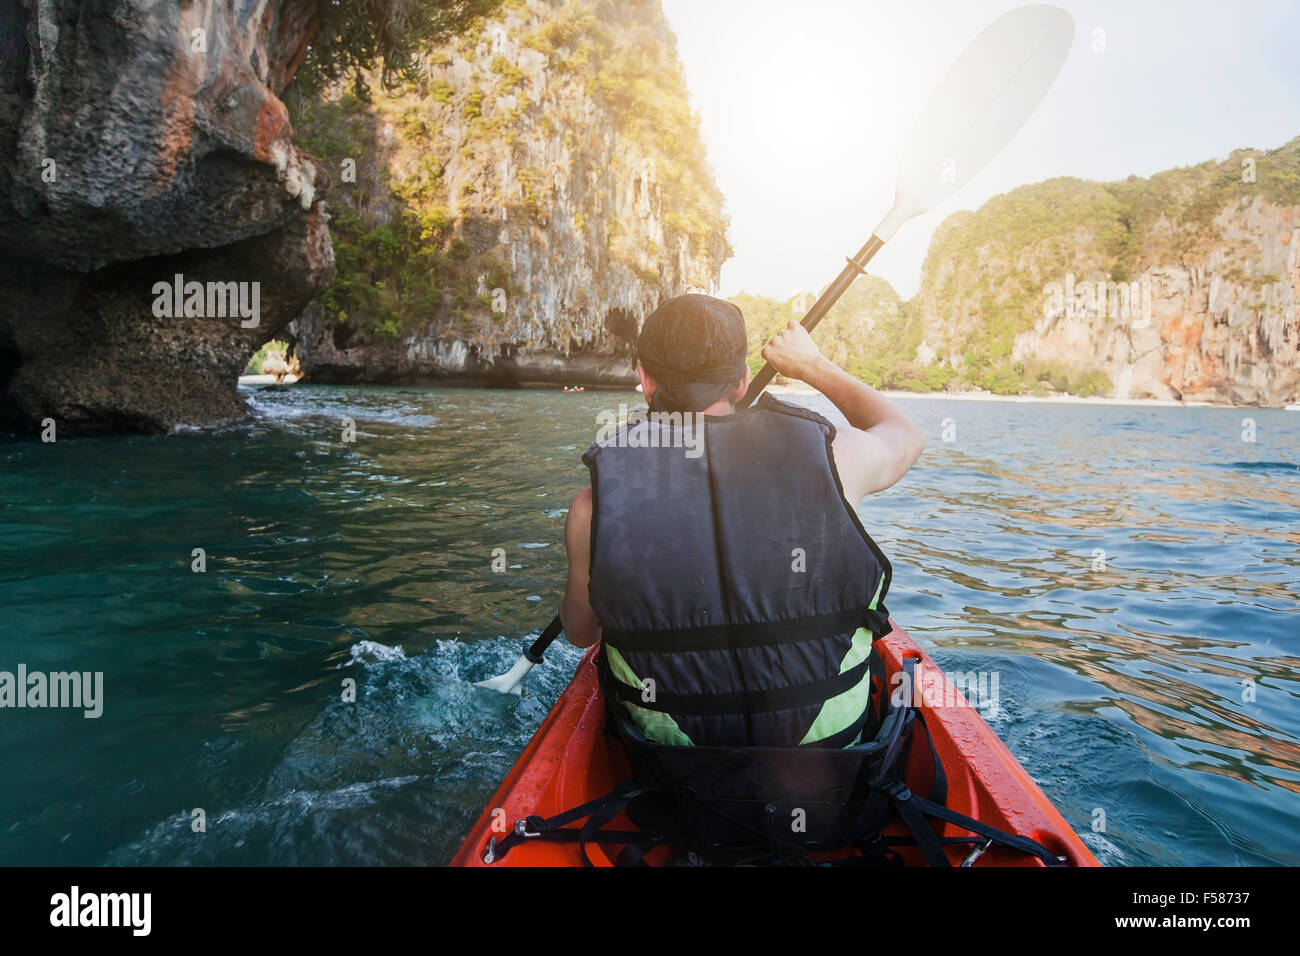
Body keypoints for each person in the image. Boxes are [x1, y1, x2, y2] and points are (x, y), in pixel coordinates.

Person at [559, 293, 925, 749]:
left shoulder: (593, 506)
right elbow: (906, 434)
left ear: (645, 381)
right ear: (743, 382)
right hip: (834, 766)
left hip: (674, 776)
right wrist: (813, 366)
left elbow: (580, 633)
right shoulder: (835, 458)